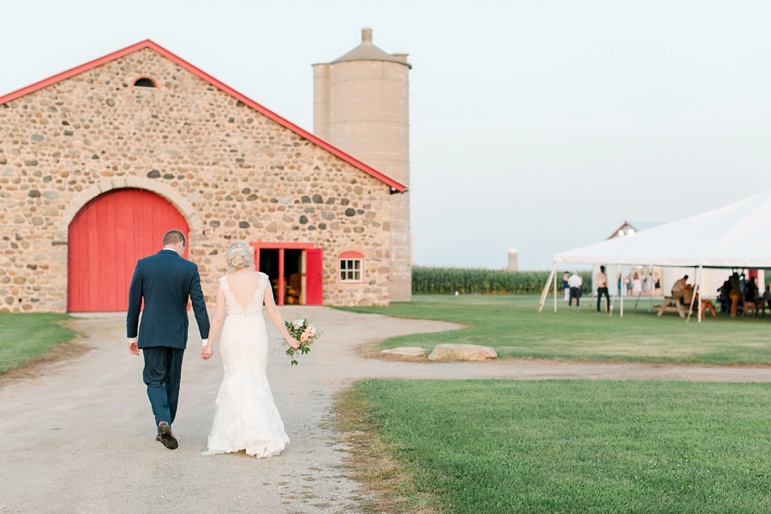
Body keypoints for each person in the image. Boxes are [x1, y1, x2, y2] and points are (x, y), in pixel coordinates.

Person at [201, 242, 300, 458]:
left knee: (234, 379)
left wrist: (208, 343)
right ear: (248, 257)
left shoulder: (224, 282)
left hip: (233, 334)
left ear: (231, 260)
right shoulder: (262, 279)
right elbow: (272, 312)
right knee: (256, 379)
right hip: (255, 334)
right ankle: (260, 432)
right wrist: (289, 337)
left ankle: (234, 435)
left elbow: (218, 316)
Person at [127, 229, 210, 450]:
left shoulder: (144, 264)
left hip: (151, 333)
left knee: (155, 380)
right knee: (172, 382)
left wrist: (131, 336)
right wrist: (205, 339)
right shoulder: (189, 268)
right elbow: (199, 305)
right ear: (181, 244)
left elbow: (134, 303)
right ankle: (167, 425)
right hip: (176, 333)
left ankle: (162, 421)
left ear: (164, 243)